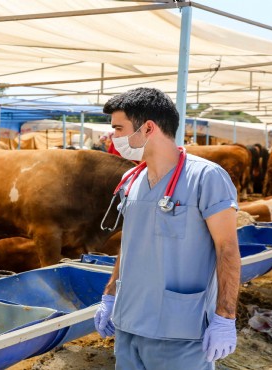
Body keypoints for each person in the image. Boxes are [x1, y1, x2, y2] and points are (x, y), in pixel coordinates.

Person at [94, 87, 241, 369]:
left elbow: (228, 250)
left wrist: (225, 317)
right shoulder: (131, 179)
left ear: (148, 128)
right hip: (128, 323)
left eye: (119, 128)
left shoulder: (206, 178)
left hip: (180, 330)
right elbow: (130, 243)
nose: (114, 137)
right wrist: (110, 295)